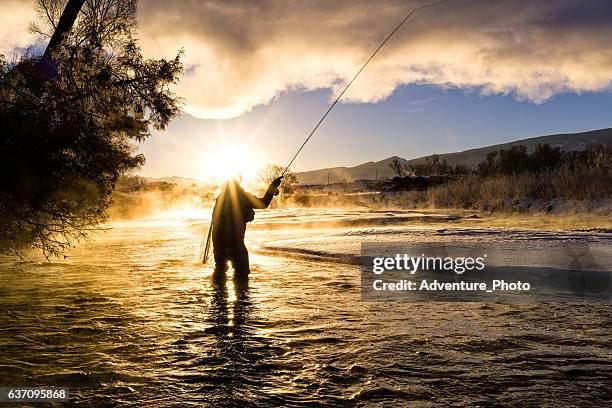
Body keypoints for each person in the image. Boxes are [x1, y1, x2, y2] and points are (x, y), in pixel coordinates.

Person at [211, 175, 282, 276]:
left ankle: (217, 290)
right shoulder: (243, 196)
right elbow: (263, 204)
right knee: (242, 275)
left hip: (218, 243)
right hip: (235, 243)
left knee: (220, 273)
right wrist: (272, 186)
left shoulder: (220, 197)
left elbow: (215, 221)